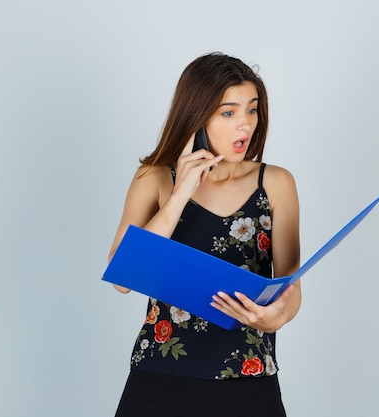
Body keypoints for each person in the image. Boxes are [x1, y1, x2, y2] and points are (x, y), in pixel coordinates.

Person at [107, 52, 301, 417]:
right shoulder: (155, 178)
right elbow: (121, 276)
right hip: (161, 376)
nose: (245, 125)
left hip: (249, 376)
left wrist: (276, 318)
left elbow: (291, 285)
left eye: (252, 109)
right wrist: (180, 194)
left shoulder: (275, 182)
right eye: (228, 112)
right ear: (197, 115)